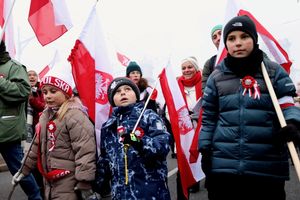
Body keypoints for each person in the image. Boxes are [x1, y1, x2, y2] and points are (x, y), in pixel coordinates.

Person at [198, 15, 300, 200]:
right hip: (225, 168)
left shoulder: (273, 71)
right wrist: (205, 149)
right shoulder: (216, 77)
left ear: (254, 39)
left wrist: (292, 123)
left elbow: (287, 104)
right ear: (226, 44)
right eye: (231, 38)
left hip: (266, 167)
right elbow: (209, 117)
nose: (238, 43)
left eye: (244, 36)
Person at [12, 73, 97, 200]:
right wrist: (23, 170)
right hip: (50, 180)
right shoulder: (45, 115)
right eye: (45, 92)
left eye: (53, 91)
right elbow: (35, 147)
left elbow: (85, 150)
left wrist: (84, 181)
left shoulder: (75, 115)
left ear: (66, 93)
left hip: (70, 180)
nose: (48, 96)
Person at [95, 77, 171, 199]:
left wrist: (137, 141)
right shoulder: (108, 127)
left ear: (136, 95)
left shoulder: (148, 117)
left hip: (150, 193)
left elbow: (163, 146)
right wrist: (96, 183)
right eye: (118, 91)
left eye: (127, 89)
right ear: (112, 99)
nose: (123, 93)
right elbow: (105, 159)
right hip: (120, 194)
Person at [0, 41, 42, 200]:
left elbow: (22, 92)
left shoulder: (15, 67)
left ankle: (36, 197)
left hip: (7, 131)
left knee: (19, 170)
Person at [176, 56, 203, 197]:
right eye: (183, 68)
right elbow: (170, 109)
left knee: (206, 165)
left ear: (196, 68)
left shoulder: (205, 83)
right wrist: (183, 119)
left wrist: (200, 117)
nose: (187, 70)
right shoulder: (176, 86)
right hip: (183, 133)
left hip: (202, 131)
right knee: (182, 170)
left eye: (189, 67)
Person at [27, 70, 46, 197]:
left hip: (41, 129)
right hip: (28, 130)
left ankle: (42, 187)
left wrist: (32, 100)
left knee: (41, 157)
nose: (32, 77)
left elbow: (44, 106)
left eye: (34, 75)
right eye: (29, 75)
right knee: (31, 159)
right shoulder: (22, 90)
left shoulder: (42, 91)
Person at [202, 24, 222, 91]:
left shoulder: (242, 54)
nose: (218, 38)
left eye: (220, 34)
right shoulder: (210, 63)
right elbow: (205, 89)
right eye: (214, 37)